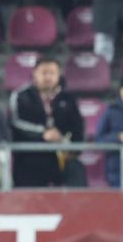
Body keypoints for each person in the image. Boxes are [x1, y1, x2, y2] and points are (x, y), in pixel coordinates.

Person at [9, 58, 87, 188]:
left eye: (52, 73)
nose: (48, 77)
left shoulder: (68, 98)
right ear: (34, 74)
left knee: (76, 169)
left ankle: (79, 207)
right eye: (44, 72)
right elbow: (15, 123)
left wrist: (72, 149)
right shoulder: (21, 96)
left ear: (59, 75)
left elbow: (78, 127)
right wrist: (43, 134)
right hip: (30, 158)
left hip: (60, 157)